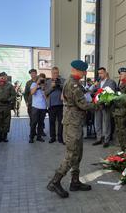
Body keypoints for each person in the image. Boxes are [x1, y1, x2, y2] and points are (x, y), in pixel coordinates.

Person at [47, 60, 100, 198]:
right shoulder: (73, 84)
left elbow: (84, 96)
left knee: (78, 153)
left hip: (76, 123)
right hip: (72, 125)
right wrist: (101, 104)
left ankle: (75, 182)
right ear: (77, 70)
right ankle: (54, 182)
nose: (85, 73)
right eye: (84, 71)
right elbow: (83, 104)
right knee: (71, 155)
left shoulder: (76, 83)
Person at [111, 67, 126, 151]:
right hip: (118, 114)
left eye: (121, 74)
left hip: (124, 115)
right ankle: (123, 153)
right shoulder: (121, 86)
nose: (120, 76)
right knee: (120, 135)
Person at [91, 67, 117, 148]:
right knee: (97, 122)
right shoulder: (98, 83)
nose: (100, 75)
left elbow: (111, 93)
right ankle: (99, 138)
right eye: (99, 73)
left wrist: (103, 96)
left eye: (101, 73)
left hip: (106, 105)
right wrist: (94, 86)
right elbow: (92, 92)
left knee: (106, 123)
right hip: (98, 105)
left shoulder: (111, 82)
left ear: (105, 73)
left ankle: (106, 140)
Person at [0, 72, 16, 143]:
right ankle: (0, 136)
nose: (3, 78)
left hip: (6, 106)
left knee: (6, 122)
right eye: (1, 76)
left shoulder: (9, 86)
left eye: (4, 77)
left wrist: (8, 100)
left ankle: (5, 136)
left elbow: (14, 95)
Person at [45, 67, 65, 144]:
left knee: (61, 122)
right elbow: (46, 93)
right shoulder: (48, 82)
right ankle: (52, 137)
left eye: (57, 73)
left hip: (61, 105)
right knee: (52, 122)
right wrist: (52, 87)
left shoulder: (63, 80)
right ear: (51, 73)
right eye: (54, 73)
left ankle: (60, 138)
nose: (56, 74)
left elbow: (66, 90)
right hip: (51, 105)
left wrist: (59, 85)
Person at [29, 73, 47, 143]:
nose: (42, 80)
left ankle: (39, 137)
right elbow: (32, 93)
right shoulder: (34, 84)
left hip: (43, 107)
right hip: (35, 107)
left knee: (41, 123)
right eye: (41, 79)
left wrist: (43, 89)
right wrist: (37, 84)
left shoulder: (44, 86)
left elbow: (46, 97)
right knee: (34, 123)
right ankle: (31, 137)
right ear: (38, 78)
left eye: (43, 79)